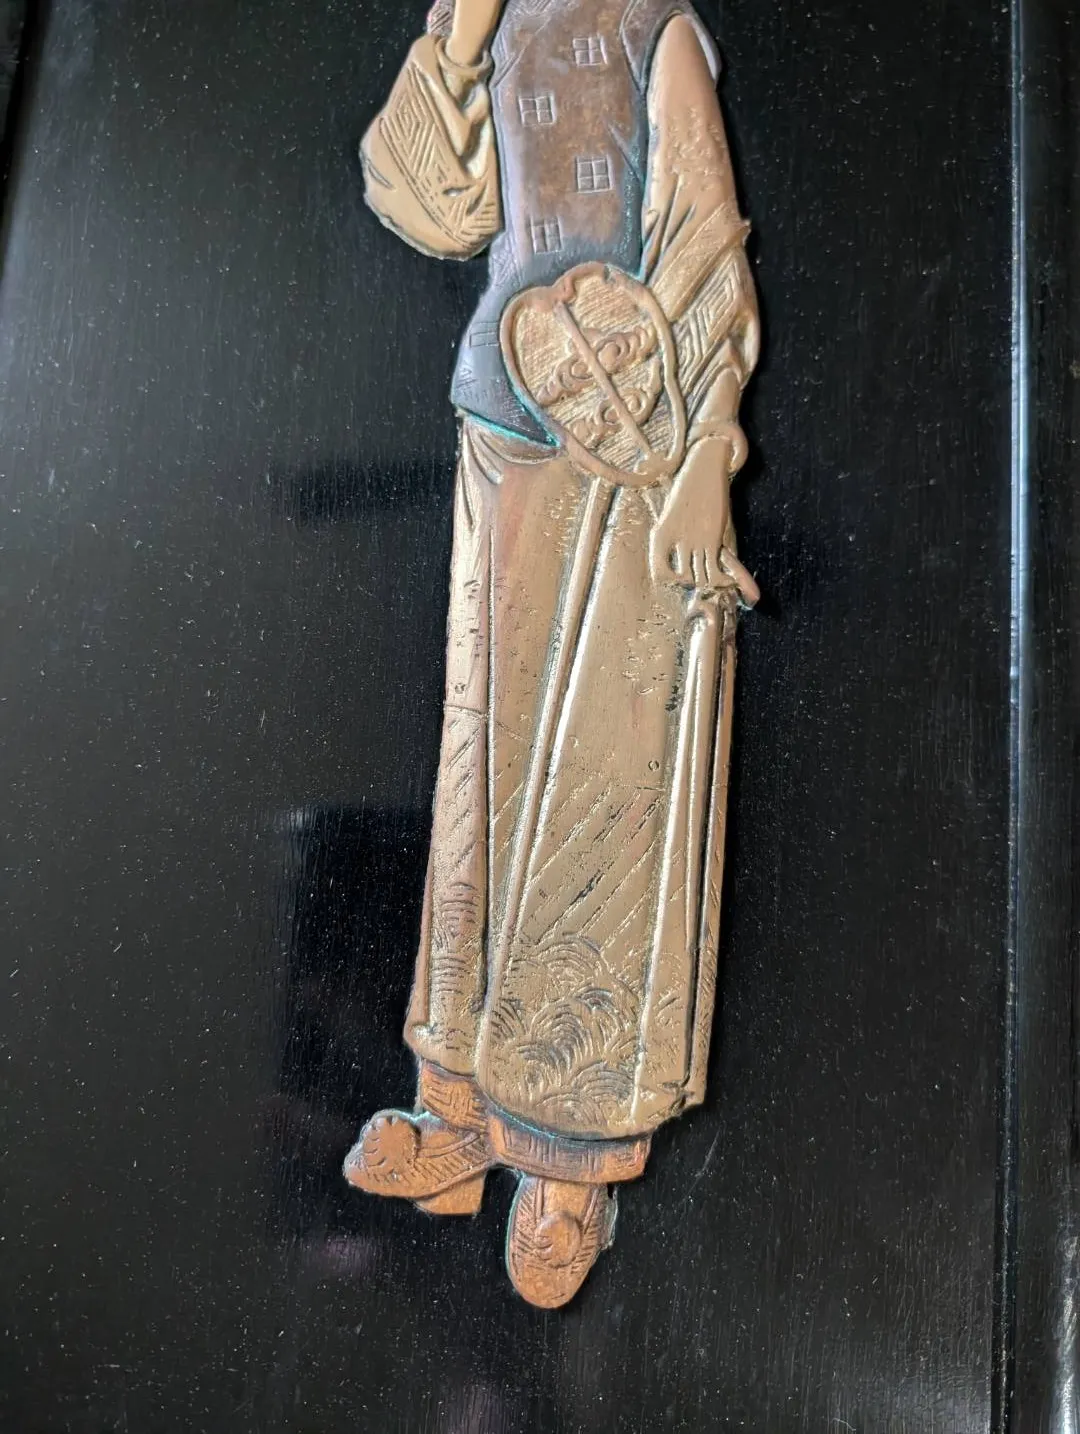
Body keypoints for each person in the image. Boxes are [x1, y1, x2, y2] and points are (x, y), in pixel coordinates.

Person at [344, 0, 760, 1308]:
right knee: (482, 773)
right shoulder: (497, 19)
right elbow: (430, 206)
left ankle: (571, 1155)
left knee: (598, 797)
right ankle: (461, 1110)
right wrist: (460, 38)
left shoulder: (654, 31)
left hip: (628, 447)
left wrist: (708, 457)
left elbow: (704, 237)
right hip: (502, 421)